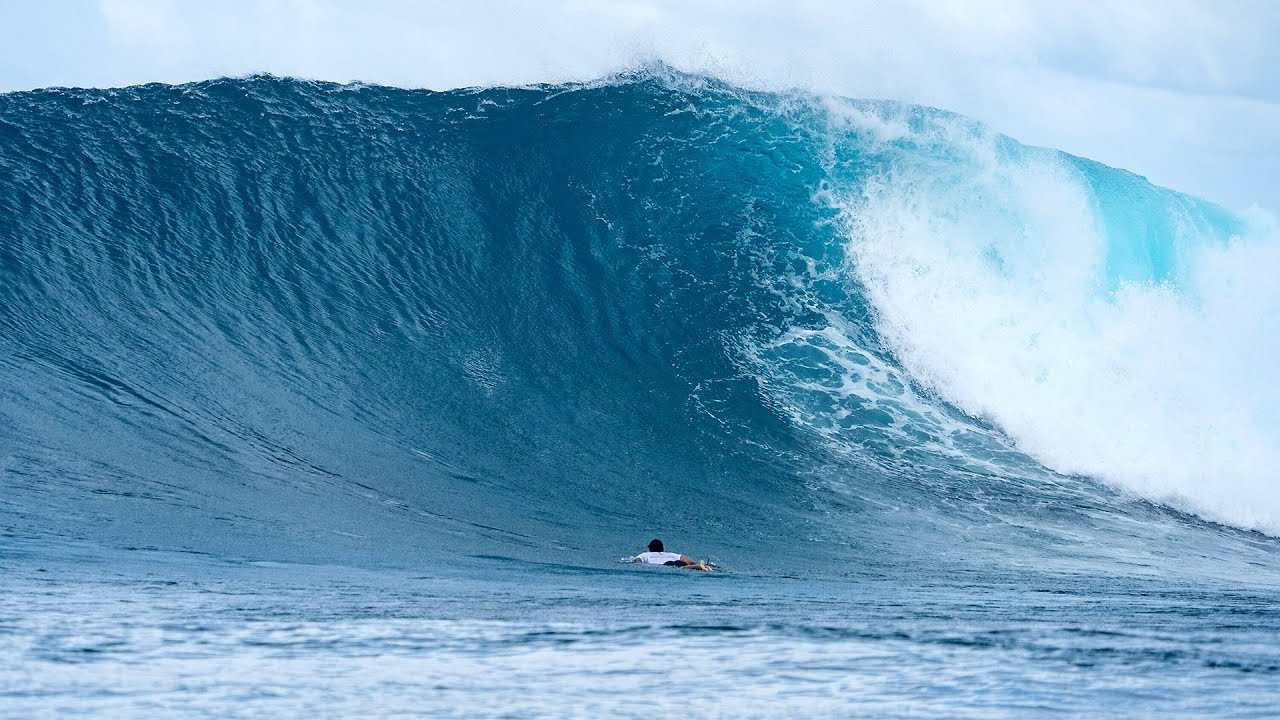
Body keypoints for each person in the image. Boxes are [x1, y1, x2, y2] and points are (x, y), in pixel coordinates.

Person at [632, 538, 712, 571]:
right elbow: (689, 561)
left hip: (666, 565)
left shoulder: (645, 554)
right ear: (662, 548)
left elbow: (637, 560)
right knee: (684, 566)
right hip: (677, 561)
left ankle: (700, 566)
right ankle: (702, 565)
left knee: (682, 568)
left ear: (650, 549)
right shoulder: (671, 554)